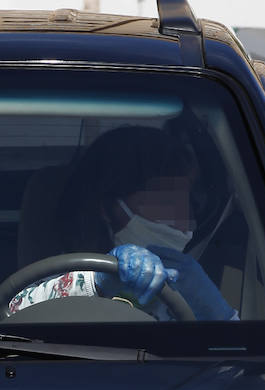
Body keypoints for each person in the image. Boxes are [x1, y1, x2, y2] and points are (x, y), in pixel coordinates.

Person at [10, 124, 237, 320]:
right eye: (165, 202)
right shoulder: (60, 278)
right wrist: (97, 282)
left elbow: (237, 362)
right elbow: (14, 315)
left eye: (186, 202)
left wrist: (220, 316)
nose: (184, 223)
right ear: (107, 209)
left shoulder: (186, 287)